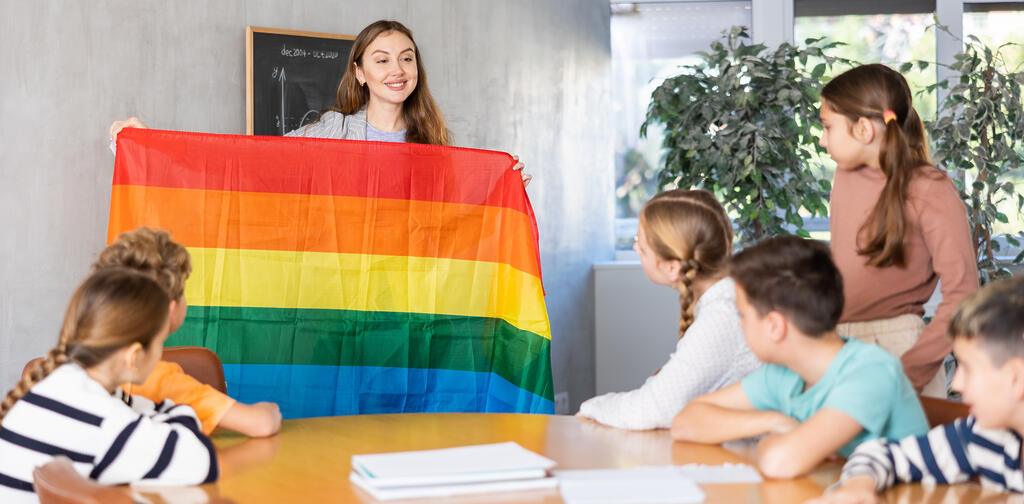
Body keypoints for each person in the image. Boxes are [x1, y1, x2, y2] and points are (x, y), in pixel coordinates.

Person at [109, 20, 531, 186]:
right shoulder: (331, 131)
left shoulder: (434, 144)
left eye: (407, 58)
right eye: (381, 60)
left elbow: (457, 217)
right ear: (361, 74)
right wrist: (147, 146)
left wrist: (503, 185)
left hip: (406, 291)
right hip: (341, 285)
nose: (397, 70)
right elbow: (250, 163)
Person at [671, 236, 929, 479]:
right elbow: (685, 422)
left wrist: (772, 438)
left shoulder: (870, 372)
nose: (740, 326)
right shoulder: (784, 374)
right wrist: (774, 421)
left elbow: (779, 462)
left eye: (743, 316)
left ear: (775, 326)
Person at [821, 63, 977, 396]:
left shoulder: (930, 187)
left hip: (897, 352)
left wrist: (909, 370)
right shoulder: (844, 176)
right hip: (839, 347)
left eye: (827, 126)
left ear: (864, 129)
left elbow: (963, 293)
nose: (822, 140)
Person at [0, 268, 218, 502]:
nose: (160, 354)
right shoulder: (103, 419)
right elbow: (202, 459)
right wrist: (180, 411)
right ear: (134, 355)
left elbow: (141, 409)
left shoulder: (63, 384)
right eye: (159, 343)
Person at [812, 276, 1024, 502]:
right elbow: (881, 453)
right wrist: (858, 486)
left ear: (1015, 377)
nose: (956, 384)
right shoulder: (985, 436)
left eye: (967, 368)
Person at [576, 189, 761, 429]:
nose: (635, 250)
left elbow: (650, 410)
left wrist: (589, 408)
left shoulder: (722, 316)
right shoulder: (729, 297)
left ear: (673, 267)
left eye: (641, 247)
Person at [94, 227, 282, 437]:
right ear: (171, 310)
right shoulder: (161, 380)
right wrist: (271, 408)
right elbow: (262, 423)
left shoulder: (79, 369)